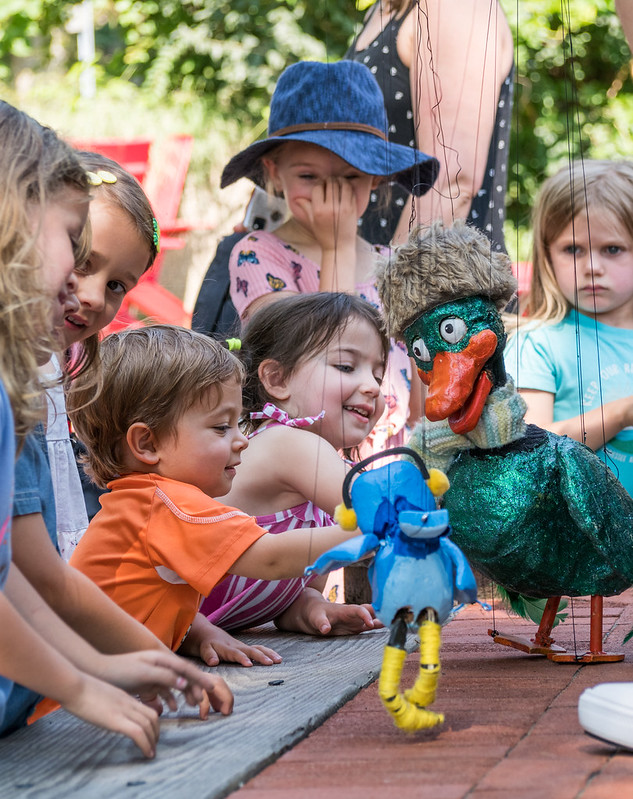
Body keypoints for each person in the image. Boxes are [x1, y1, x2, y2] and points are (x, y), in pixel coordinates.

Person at [0, 101, 233, 755]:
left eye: (117, 282)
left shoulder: (16, 386)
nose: (88, 290)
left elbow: (14, 575)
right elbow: (37, 577)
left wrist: (97, 668)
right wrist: (82, 678)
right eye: (73, 244)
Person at [67, 325, 369, 654]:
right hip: (70, 699)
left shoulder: (140, 503)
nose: (241, 440)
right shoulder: (168, 504)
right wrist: (376, 529)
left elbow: (141, 593)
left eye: (238, 423)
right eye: (221, 427)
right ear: (148, 443)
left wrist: (199, 634)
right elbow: (271, 559)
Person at [221, 58, 439, 449]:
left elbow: (420, 397)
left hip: (393, 460)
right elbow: (311, 367)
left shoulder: (394, 268)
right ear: (274, 171)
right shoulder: (257, 255)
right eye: (309, 176)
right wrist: (335, 244)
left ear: (375, 177)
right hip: (309, 468)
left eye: (350, 176)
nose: (330, 194)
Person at [201, 292, 386, 634]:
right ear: (277, 380)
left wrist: (313, 608)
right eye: (347, 366)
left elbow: (291, 598)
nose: (372, 387)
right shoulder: (287, 443)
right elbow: (380, 514)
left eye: (377, 374)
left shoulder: (323, 471)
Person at [504, 160, 633, 496]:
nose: (592, 267)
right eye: (573, 249)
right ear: (547, 255)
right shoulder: (536, 344)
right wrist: (621, 414)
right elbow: (532, 452)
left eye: (613, 249)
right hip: (577, 540)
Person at [346, 0, 514, 251]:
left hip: (433, 280)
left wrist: (384, 286)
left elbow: (451, 181)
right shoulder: (384, 8)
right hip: (372, 271)